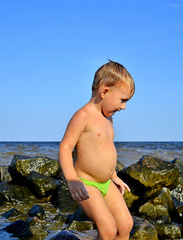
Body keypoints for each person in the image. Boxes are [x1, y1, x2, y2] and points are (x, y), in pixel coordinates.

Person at [58, 60, 135, 240]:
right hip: (87, 184)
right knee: (108, 229)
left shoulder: (108, 119)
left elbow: (105, 150)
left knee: (126, 225)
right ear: (105, 91)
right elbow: (65, 147)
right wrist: (72, 180)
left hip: (106, 182)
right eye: (122, 100)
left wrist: (113, 175)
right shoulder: (83, 116)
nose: (124, 106)